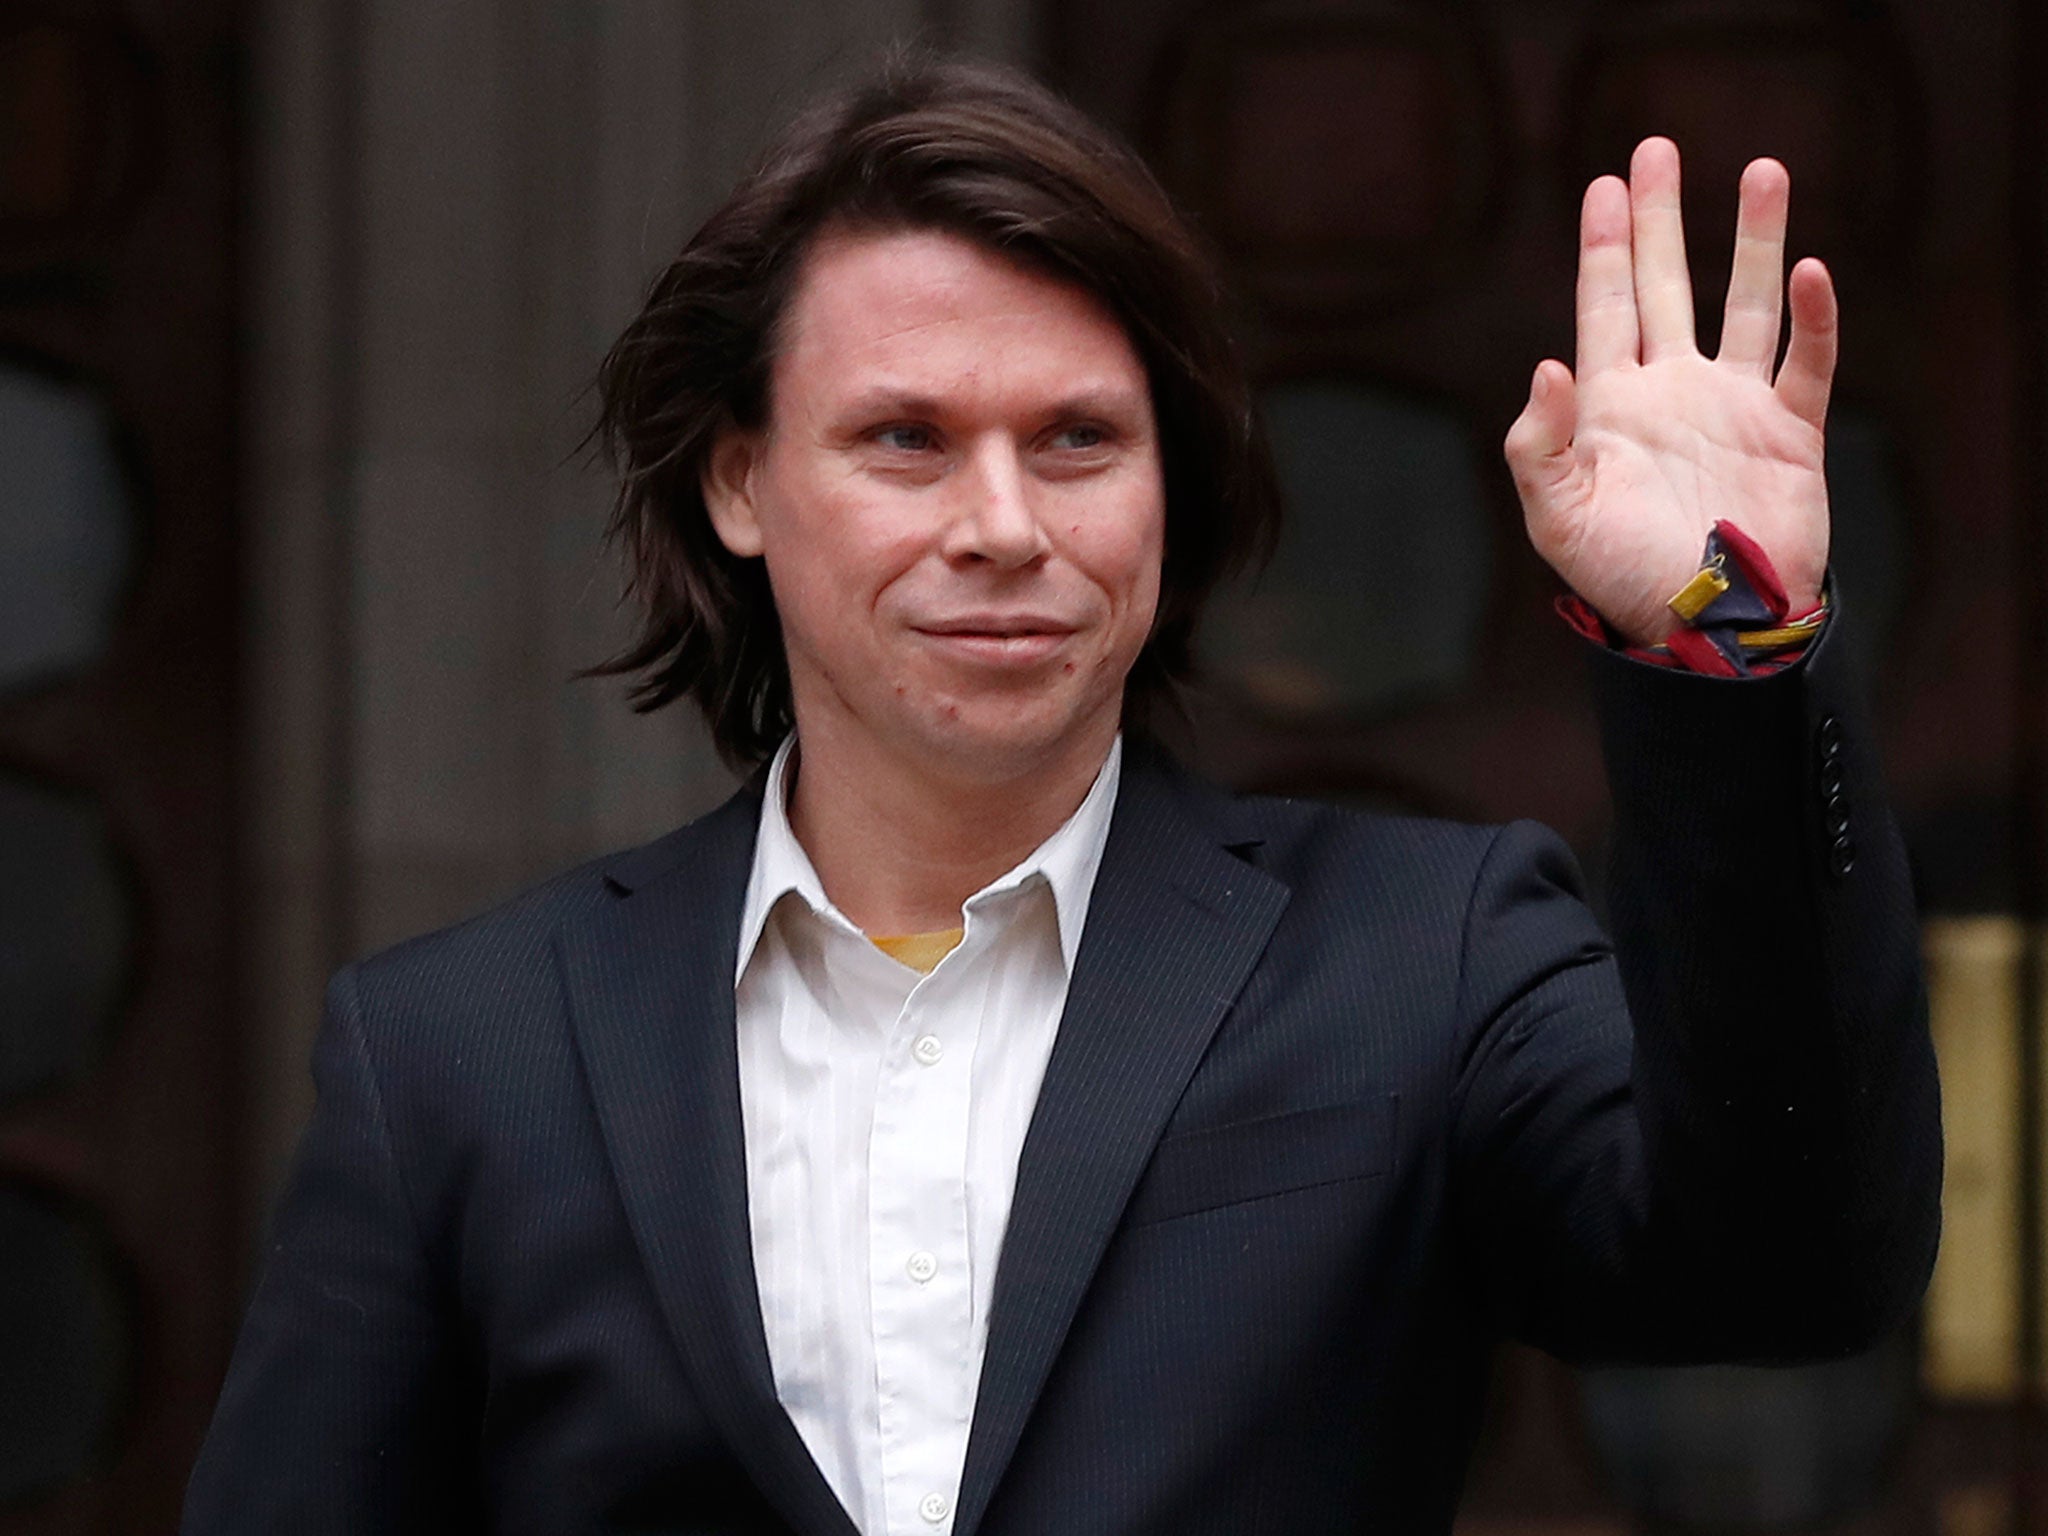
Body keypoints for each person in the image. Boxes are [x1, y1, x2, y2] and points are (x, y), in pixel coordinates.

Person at [183, 54, 1941, 1536]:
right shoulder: (458, 1053)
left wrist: (1727, 629)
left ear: (1171, 484)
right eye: (905, 440)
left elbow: (1792, 1266)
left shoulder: (1424, 953)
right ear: (738, 482)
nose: (1005, 525)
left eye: (1079, 439)